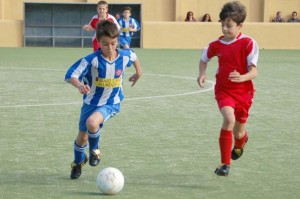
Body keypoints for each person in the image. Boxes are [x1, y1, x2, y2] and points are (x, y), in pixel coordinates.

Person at [65, 20, 142, 179]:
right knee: (82, 137)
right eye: (105, 44)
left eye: (113, 44)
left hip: (111, 103)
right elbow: (71, 75)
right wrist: (79, 85)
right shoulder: (91, 60)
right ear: (98, 42)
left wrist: (138, 72)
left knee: (92, 123)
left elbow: (133, 55)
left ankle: (95, 151)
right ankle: (78, 163)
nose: (110, 48)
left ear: (117, 41)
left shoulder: (123, 56)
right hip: (90, 103)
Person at [197, 1, 259, 176]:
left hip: (244, 93)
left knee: (238, 132)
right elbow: (204, 59)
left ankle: (241, 142)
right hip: (224, 90)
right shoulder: (215, 45)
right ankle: (225, 163)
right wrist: (202, 74)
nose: (224, 29)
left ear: (240, 25)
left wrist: (242, 77)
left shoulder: (248, 43)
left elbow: (254, 72)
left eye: (229, 25)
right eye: (222, 24)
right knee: (229, 119)